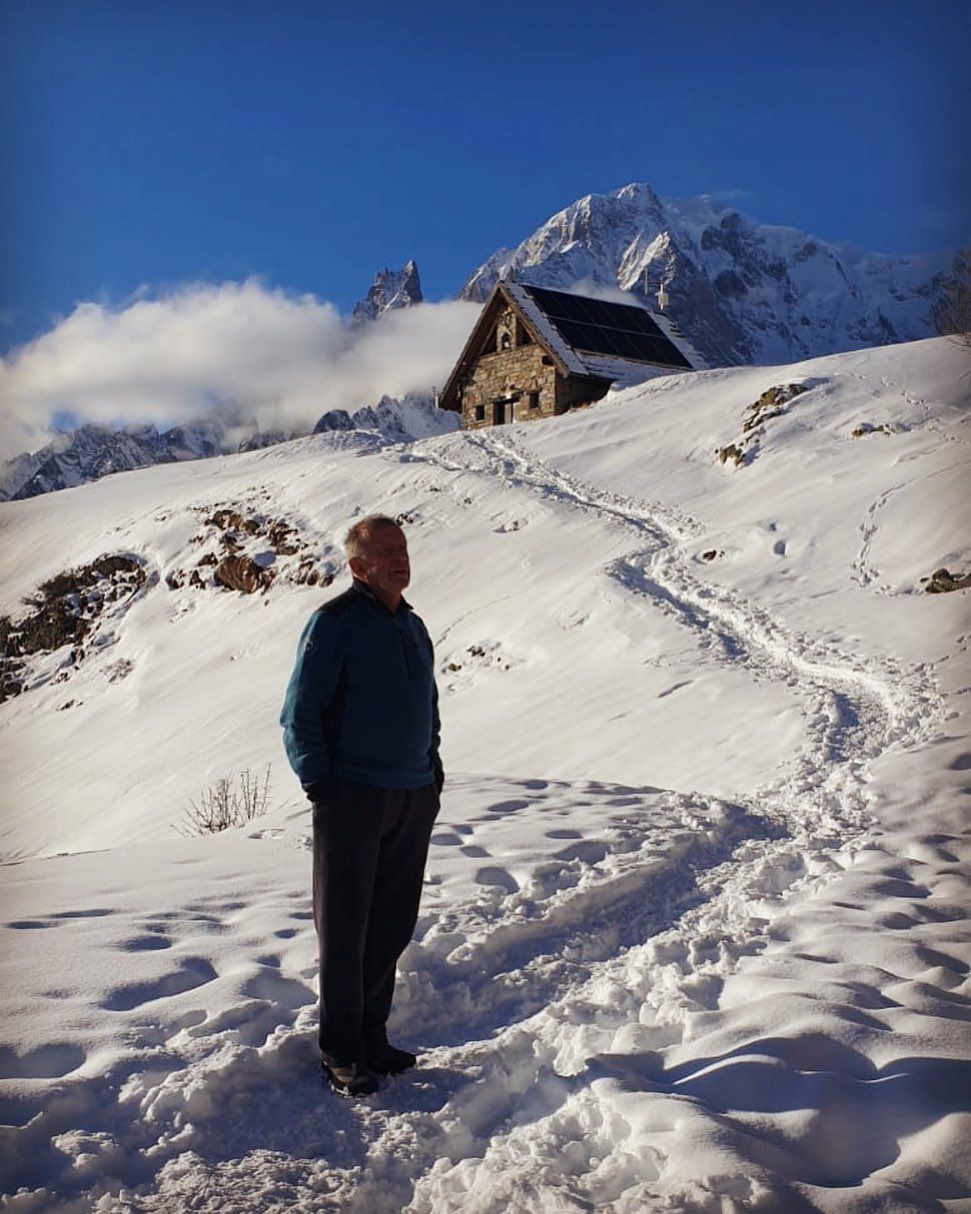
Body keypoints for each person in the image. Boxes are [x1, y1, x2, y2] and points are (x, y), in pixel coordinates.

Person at [280, 514, 443, 1096]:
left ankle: (373, 1037)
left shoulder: (414, 626)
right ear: (358, 566)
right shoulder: (334, 623)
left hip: (411, 796)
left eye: (403, 547)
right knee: (346, 931)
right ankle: (341, 1051)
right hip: (351, 797)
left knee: (391, 925)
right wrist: (322, 784)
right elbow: (299, 713)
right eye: (386, 551)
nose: (400, 558)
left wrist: (432, 776)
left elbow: (429, 706)